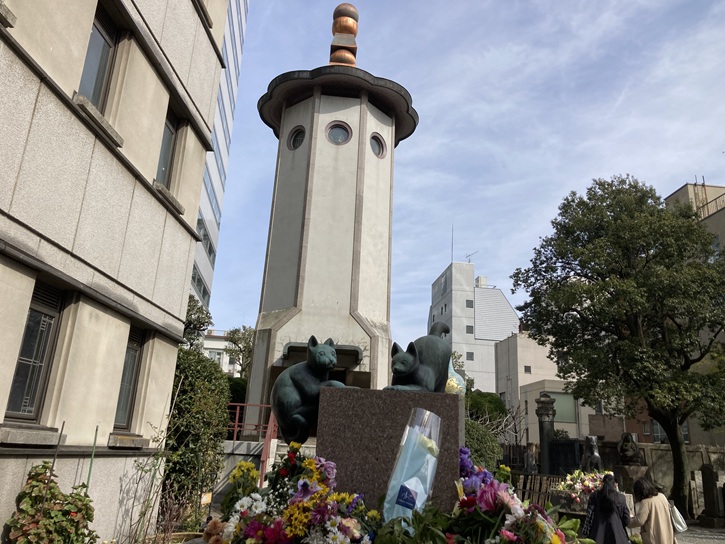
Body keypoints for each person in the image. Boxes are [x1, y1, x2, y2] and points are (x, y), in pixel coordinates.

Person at [582, 473, 631, 544]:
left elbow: (589, 516)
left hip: (597, 535)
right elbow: (626, 520)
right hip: (617, 536)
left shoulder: (594, 496)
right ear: (614, 484)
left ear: (602, 483)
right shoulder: (621, 498)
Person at [629, 477, 677, 544]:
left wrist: (628, 522)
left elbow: (639, 521)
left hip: (655, 536)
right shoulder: (662, 496)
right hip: (667, 532)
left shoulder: (646, 502)